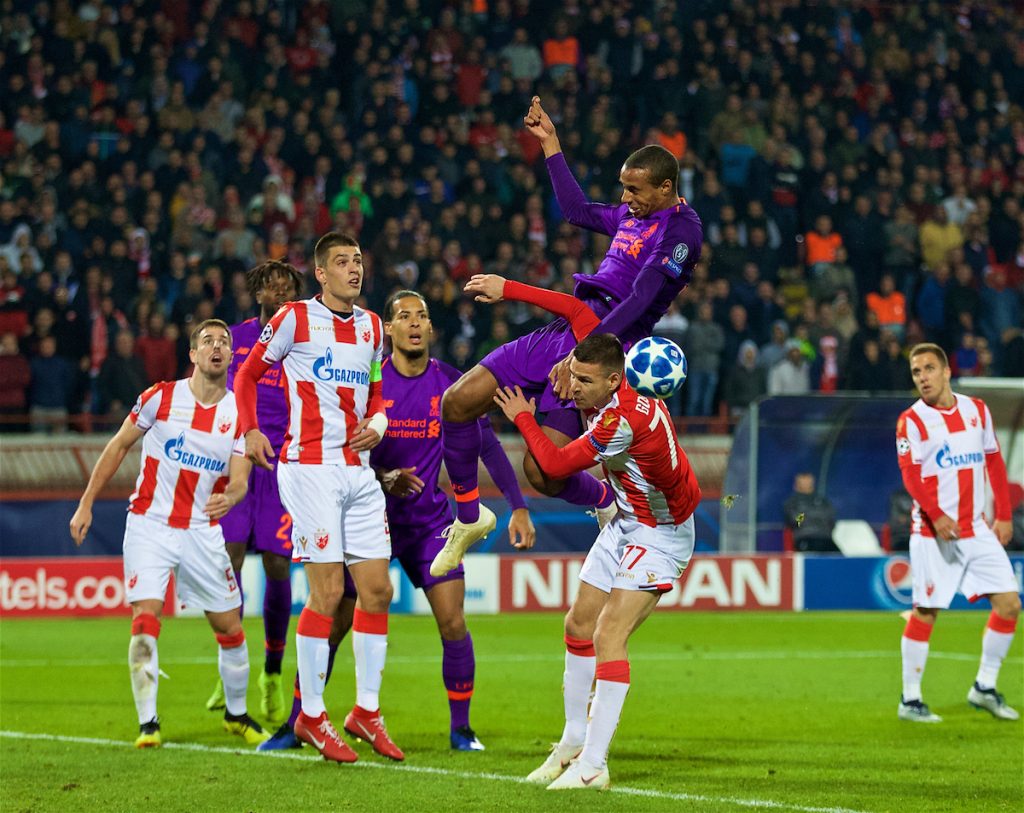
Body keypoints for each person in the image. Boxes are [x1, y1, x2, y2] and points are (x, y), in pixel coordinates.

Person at [433, 96, 703, 576]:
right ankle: (470, 519)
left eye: (634, 190)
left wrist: (586, 353)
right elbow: (577, 211)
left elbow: (640, 298)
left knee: (543, 471)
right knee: (456, 403)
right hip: (566, 330)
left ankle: (603, 500)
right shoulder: (631, 215)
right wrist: (551, 145)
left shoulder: (682, 231)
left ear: (666, 187)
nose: (625, 199)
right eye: (623, 189)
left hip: (602, 347)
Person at [259, 289, 536, 753]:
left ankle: (461, 729)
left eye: (421, 316)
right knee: (333, 619)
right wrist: (384, 476)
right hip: (367, 520)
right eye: (403, 315)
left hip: (430, 527)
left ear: (430, 330)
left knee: (453, 621)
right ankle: (298, 721)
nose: (413, 323)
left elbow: (486, 445)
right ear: (387, 329)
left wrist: (519, 504)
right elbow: (344, 446)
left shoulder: (452, 385)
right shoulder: (367, 384)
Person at [493, 332, 701, 790]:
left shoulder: (622, 420)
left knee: (610, 633)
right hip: (627, 518)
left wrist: (525, 419)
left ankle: (593, 766)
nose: (576, 386)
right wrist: (565, 361)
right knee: (577, 625)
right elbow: (578, 316)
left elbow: (554, 464)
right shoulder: (608, 389)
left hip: (661, 532)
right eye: (575, 374)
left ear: (613, 380)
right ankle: (572, 742)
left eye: (585, 380)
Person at [234, 232, 401, 763]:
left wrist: (378, 420)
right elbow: (247, 375)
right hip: (309, 468)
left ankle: (366, 712)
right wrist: (251, 430)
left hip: (359, 470)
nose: (354, 269)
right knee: (326, 594)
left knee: (375, 592)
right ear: (322, 274)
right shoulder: (292, 320)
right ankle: (310, 714)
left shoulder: (375, 327)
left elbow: (376, 390)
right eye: (342, 263)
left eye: (358, 260)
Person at [68, 319, 268, 748]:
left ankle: (236, 715)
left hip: (201, 531)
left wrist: (232, 497)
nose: (217, 347)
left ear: (231, 356)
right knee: (145, 621)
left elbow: (239, 480)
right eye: (207, 341)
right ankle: (149, 725)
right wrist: (86, 502)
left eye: (224, 342)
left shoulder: (238, 415)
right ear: (193, 355)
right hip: (150, 525)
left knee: (230, 628)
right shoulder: (160, 397)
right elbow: (118, 445)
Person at [895, 342, 1019, 722]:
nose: (923, 378)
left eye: (929, 369)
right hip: (934, 533)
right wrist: (935, 514)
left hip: (976, 528)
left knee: (1010, 604)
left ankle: (984, 687)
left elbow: (994, 460)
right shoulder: (911, 421)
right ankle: (910, 700)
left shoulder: (976, 410)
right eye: (917, 372)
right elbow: (911, 475)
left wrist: (1005, 514)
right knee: (927, 610)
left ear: (947, 371)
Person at [205, 260, 303, 725]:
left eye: (287, 284)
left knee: (278, 563)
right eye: (271, 283)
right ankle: (233, 663)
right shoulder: (237, 337)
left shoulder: (307, 336)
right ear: (257, 291)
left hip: (284, 467)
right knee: (230, 557)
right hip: (238, 460)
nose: (280, 289)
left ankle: (271, 670)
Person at [782, 473, 839, 553]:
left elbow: (831, 521)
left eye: (808, 482)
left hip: (825, 538)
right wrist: (808, 518)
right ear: (796, 485)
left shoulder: (822, 502)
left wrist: (807, 515)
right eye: (803, 483)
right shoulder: (793, 503)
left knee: (841, 560)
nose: (806, 484)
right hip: (805, 538)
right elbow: (797, 521)